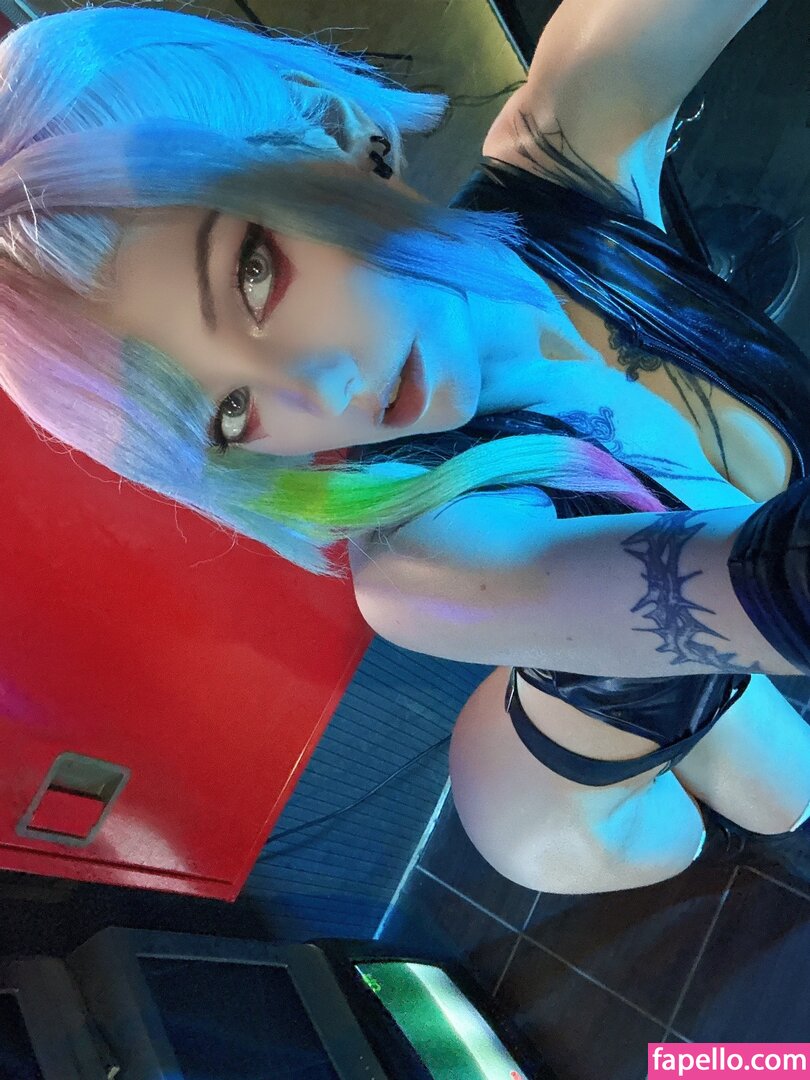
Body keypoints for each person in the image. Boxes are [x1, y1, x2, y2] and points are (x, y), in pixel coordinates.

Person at [1, 1, 808, 895]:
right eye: (229, 412)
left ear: (333, 125)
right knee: (773, 806)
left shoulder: (565, 162)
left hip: (658, 627)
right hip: (565, 812)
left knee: (775, 777)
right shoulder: (423, 570)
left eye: (254, 275)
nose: (324, 392)